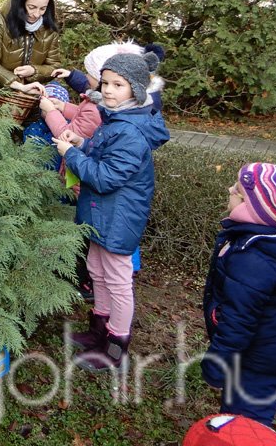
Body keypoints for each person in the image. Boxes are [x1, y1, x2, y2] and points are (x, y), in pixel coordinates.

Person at [54, 52, 169, 370]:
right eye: (105, 82)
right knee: (97, 269)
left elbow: (106, 178)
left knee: (117, 280)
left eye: (118, 84)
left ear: (136, 89)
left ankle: (116, 347)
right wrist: (80, 142)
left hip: (119, 216)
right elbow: (103, 154)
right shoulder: (116, 118)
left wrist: (71, 156)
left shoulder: (132, 131)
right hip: (102, 212)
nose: (107, 89)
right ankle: (98, 331)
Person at [200, 163, 276, 427]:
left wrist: (215, 368)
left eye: (238, 191)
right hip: (268, 351)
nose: (230, 189)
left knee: (247, 422)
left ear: (255, 212)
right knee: (237, 409)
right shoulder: (265, 242)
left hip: (261, 360)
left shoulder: (253, 260)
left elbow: (237, 323)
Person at [0, 0, 61, 97]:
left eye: (43, 9)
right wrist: (19, 86)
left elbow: (54, 66)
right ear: (21, 2)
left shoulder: (49, 29)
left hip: (30, 97)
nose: (36, 14)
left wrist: (34, 71)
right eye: (32, 7)